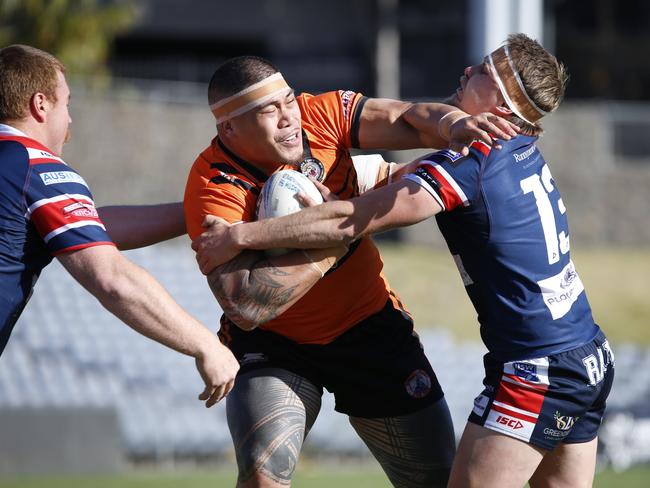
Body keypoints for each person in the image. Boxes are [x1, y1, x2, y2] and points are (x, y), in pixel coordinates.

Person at [193, 34, 615, 488]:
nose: (467, 72)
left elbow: (351, 221)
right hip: (588, 353)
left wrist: (240, 235)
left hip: (535, 368)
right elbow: (395, 158)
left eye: (483, 74)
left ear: (502, 110)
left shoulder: (469, 161)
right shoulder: (522, 151)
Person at [0, 44, 239, 408]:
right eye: (66, 104)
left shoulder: (14, 169)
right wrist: (205, 344)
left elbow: (91, 225)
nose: (70, 120)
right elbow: (111, 277)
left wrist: (199, 210)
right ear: (40, 105)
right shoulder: (36, 165)